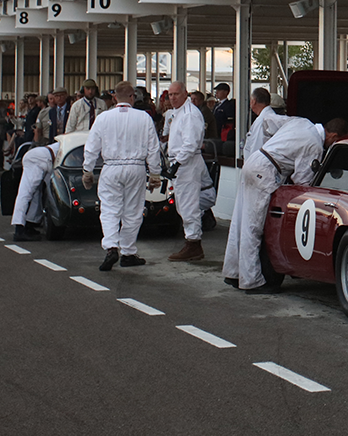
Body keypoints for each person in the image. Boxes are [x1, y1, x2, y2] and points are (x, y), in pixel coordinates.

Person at [224, 90, 328, 292]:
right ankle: (251, 281)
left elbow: (269, 124)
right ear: (331, 136)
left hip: (255, 160)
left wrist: (280, 146)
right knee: (253, 229)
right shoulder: (315, 144)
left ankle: (233, 272)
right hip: (266, 171)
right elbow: (302, 180)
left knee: (240, 222)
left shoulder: (301, 122)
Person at [82, 79, 164, 271]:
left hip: (111, 167)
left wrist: (87, 169)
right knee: (133, 211)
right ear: (132, 97)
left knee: (110, 209)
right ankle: (128, 251)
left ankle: (111, 247)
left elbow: (92, 146)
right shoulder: (144, 117)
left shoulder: (103, 118)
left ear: (114, 97)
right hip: (136, 167)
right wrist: (155, 173)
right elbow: (153, 147)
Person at [162, 81, 212, 263]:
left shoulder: (190, 114)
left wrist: (177, 163)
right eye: (170, 95)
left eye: (176, 94)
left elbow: (190, 144)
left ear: (185, 94)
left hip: (187, 163)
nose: (172, 98)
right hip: (181, 161)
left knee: (188, 204)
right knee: (185, 203)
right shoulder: (177, 114)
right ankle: (192, 238)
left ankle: (193, 243)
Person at [11, 139, 61, 241]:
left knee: (37, 193)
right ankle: (19, 229)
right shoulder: (81, 141)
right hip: (40, 159)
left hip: (45, 158)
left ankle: (30, 224)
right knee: (26, 193)